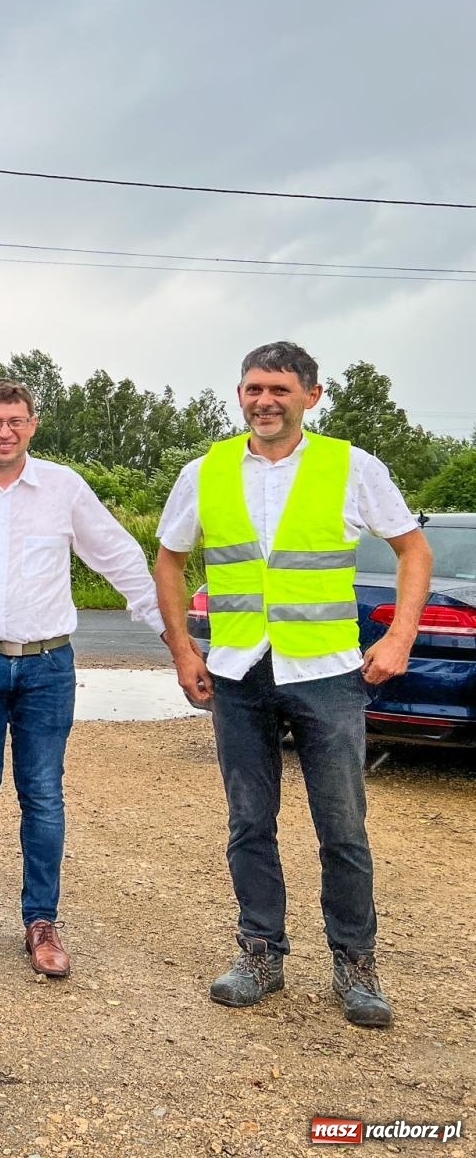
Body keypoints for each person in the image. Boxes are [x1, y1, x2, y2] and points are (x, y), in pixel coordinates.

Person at [155, 341, 430, 1028]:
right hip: (240, 673)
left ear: (311, 394)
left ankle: (355, 964)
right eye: (252, 388)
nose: (264, 401)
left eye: (278, 389)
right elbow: (169, 559)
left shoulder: (350, 466)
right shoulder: (207, 471)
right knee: (250, 823)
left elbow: (412, 550)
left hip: (329, 675)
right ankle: (260, 953)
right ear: (240, 394)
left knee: (342, 828)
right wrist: (184, 649)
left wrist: (399, 637)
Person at [0, 377, 163, 977]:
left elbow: (119, 556)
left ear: (32, 424)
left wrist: (169, 634)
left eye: (15, 420)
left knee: (42, 792)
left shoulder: (64, 490)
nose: (4, 430)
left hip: (48, 665)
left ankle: (41, 920)